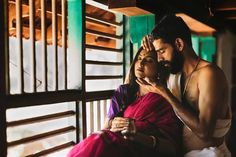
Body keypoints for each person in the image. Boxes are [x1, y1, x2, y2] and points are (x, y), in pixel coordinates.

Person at [140, 14, 232, 157]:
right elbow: (141, 78)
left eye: (162, 51)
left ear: (179, 44)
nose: (159, 59)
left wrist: (166, 93)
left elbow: (204, 132)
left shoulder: (209, 74)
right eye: (157, 53)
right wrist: (148, 50)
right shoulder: (174, 73)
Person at [67, 47, 182, 157]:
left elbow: (172, 149)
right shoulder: (124, 92)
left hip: (142, 150)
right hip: (116, 142)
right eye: (139, 58)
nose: (141, 64)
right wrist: (116, 126)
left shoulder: (163, 99)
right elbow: (107, 127)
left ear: (159, 68)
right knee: (98, 140)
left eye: (149, 60)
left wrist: (136, 134)